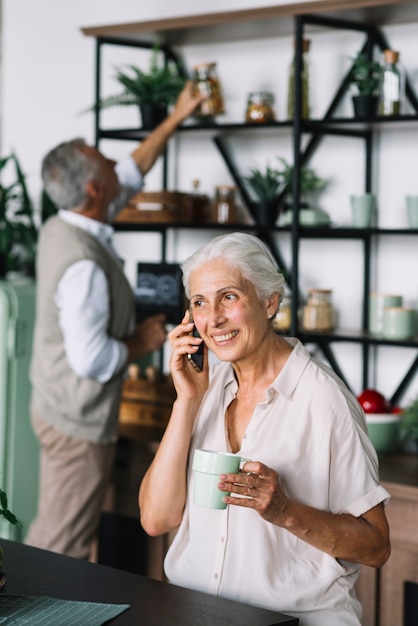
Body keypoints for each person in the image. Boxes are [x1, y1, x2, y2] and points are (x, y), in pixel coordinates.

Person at [139, 232, 391, 626]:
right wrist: (185, 401)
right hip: (196, 613)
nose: (213, 319)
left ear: (269, 302)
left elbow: (376, 546)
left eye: (229, 297)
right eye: (200, 303)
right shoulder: (204, 388)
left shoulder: (324, 400)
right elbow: (156, 519)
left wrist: (285, 511)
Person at [26, 82, 203, 559]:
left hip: (54, 405)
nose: (112, 159)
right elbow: (91, 359)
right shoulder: (84, 263)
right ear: (93, 189)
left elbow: (131, 169)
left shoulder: (63, 225)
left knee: (63, 533)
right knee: (60, 544)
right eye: (102, 158)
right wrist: (141, 341)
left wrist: (176, 115)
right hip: (77, 423)